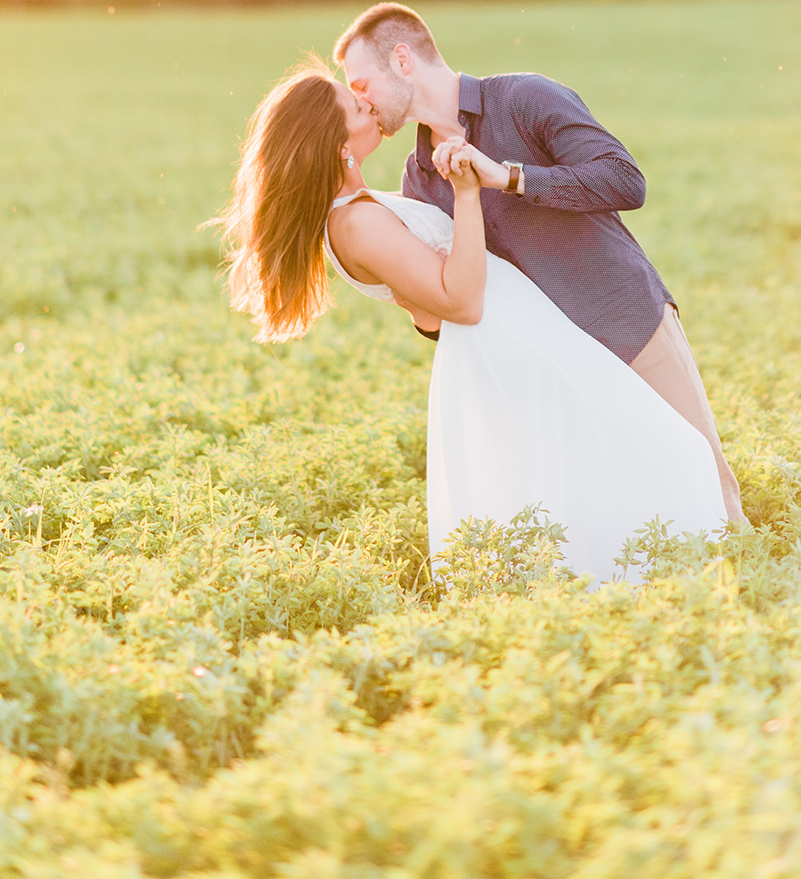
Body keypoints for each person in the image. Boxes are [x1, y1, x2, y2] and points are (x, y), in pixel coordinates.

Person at [217, 58, 727, 583]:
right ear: (337, 143)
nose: (365, 101)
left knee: (633, 469)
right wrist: (466, 194)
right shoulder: (355, 223)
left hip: (532, 340)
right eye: (353, 104)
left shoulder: (369, 205)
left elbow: (431, 308)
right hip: (514, 349)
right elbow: (462, 302)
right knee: (658, 465)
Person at [335, 2, 745, 524]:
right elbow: (457, 301)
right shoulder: (419, 178)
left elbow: (625, 179)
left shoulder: (523, 97)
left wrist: (507, 177)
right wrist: (418, 307)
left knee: (709, 491)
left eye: (362, 83)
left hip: (625, 323)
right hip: (556, 370)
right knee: (634, 517)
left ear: (402, 60)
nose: (359, 99)